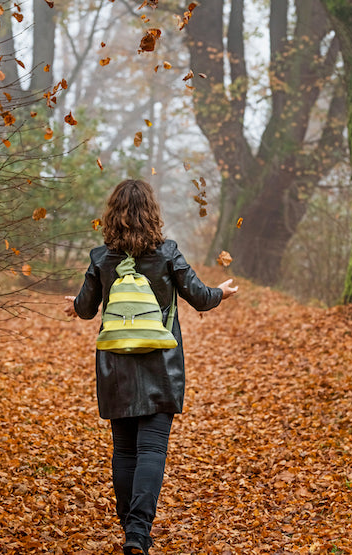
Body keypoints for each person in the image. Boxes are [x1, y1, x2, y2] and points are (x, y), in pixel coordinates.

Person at [65, 179, 238, 555]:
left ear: (112, 214)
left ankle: (131, 528)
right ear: (151, 213)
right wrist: (222, 292)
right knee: (152, 450)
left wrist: (73, 305)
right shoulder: (167, 253)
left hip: (115, 367)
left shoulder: (101, 258)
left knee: (125, 451)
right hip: (161, 366)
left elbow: (86, 307)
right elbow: (201, 298)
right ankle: (138, 534)